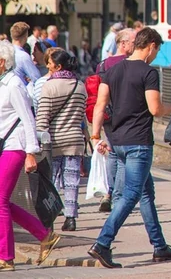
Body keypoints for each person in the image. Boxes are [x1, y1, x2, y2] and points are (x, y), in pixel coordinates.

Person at [89, 28, 171, 268]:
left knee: (146, 193)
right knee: (130, 195)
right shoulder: (148, 72)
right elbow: (154, 108)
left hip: (117, 141)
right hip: (138, 143)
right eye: (156, 51)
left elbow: (100, 105)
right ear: (151, 46)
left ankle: (159, 246)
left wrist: (95, 136)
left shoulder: (112, 70)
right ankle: (102, 243)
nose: (155, 56)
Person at [0, 40, 60, 271]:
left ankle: (6, 257)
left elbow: (28, 119)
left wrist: (31, 153)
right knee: (2, 201)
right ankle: (44, 235)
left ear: (2, 62)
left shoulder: (14, 84)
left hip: (16, 146)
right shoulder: (3, 84)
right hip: (5, 145)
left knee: (1, 201)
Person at [86, 27, 138, 213]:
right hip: (125, 114)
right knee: (122, 157)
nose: (137, 45)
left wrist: (95, 131)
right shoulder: (131, 63)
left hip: (107, 114)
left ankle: (107, 194)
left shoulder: (102, 65)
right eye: (134, 42)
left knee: (111, 153)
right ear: (123, 44)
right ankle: (117, 197)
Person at [35, 50, 87, 232]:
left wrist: (39, 139)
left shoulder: (49, 86)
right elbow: (81, 114)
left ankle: (51, 215)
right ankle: (71, 218)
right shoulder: (80, 85)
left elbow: (42, 117)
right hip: (74, 139)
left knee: (52, 180)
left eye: (50, 63)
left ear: (58, 66)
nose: (47, 66)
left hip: (53, 141)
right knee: (72, 181)